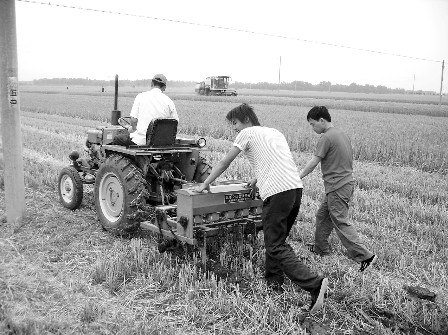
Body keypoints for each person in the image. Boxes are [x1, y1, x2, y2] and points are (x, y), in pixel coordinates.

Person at [192, 103, 328, 314]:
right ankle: (274, 284)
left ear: (245, 119)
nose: (234, 128)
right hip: (295, 189)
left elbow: (225, 162)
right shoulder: (274, 132)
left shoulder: (247, 133)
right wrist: (256, 179)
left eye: (234, 123)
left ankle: (314, 284)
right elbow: (277, 161)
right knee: (276, 241)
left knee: (275, 246)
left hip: (277, 192)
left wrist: (205, 183)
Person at [299, 106, 377, 272]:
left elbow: (314, 162)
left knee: (340, 220)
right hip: (344, 183)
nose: (312, 128)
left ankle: (365, 256)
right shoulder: (341, 134)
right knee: (322, 215)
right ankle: (320, 248)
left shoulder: (326, 137)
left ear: (322, 120)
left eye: (312, 124)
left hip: (337, 186)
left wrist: (297, 177)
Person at [112, 73, 178, 146]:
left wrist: (132, 128)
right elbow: (175, 122)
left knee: (117, 139)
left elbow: (133, 120)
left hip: (141, 142)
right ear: (164, 87)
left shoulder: (141, 97)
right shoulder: (169, 102)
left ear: (151, 83)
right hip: (161, 144)